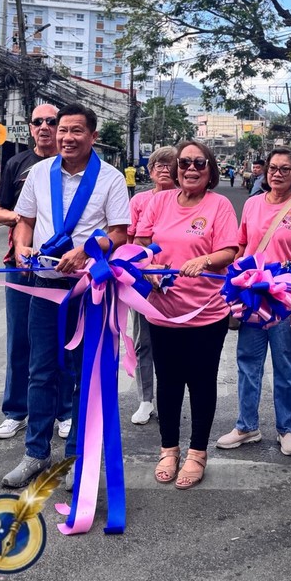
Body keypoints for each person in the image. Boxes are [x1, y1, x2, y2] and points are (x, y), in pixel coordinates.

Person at [4, 103, 130, 489]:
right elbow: (25, 220)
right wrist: (22, 246)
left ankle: (77, 457)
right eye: (62, 130)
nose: (67, 137)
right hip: (43, 283)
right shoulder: (39, 172)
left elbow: (120, 232)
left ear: (93, 136)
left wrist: (87, 250)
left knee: (82, 373)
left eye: (76, 131)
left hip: (87, 288)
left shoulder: (110, 178)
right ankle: (35, 453)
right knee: (41, 370)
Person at [135, 140, 239, 489]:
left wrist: (204, 260)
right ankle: (169, 450)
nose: (190, 169)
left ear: (210, 169)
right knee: (168, 382)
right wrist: (148, 266)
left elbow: (229, 250)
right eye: (184, 163)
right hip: (162, 310)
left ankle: (197, 453)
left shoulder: (219, 204)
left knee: (201, 382)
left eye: (199, 163)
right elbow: (140, 243)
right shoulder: (159, 201)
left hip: (206, 313)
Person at [217, 147, 291, 458]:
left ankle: (287, 429)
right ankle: (246, 425)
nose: (277, 174)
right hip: (252, 299)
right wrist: (234, 283)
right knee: (248, 363)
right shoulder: (252, 204)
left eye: (285, 169)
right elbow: (242, 246)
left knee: (286, 366)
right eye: (273, 168)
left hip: (285, 301)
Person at [0, 104, 73, 442]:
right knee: (20, 340)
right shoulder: (17, 164)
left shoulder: (72, 166)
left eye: (52, 121)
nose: (45, 127)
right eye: (38, 122)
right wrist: (26, 218)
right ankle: (16, 411)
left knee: (65, 340)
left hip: (63, 268)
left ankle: (64, 411)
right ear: (30, 127)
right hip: (21, 264)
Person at [125, 146, 177, 426]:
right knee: (143, 342)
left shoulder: (185, 199)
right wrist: (145, 270)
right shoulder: (139, 201)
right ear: (150, 170)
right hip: (143, 281)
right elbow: (129, 242)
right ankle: (145, 399)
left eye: (170, 165)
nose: (164, 169)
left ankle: (172, 395)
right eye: (158, 165)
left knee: (174, 343)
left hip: (178, 281)